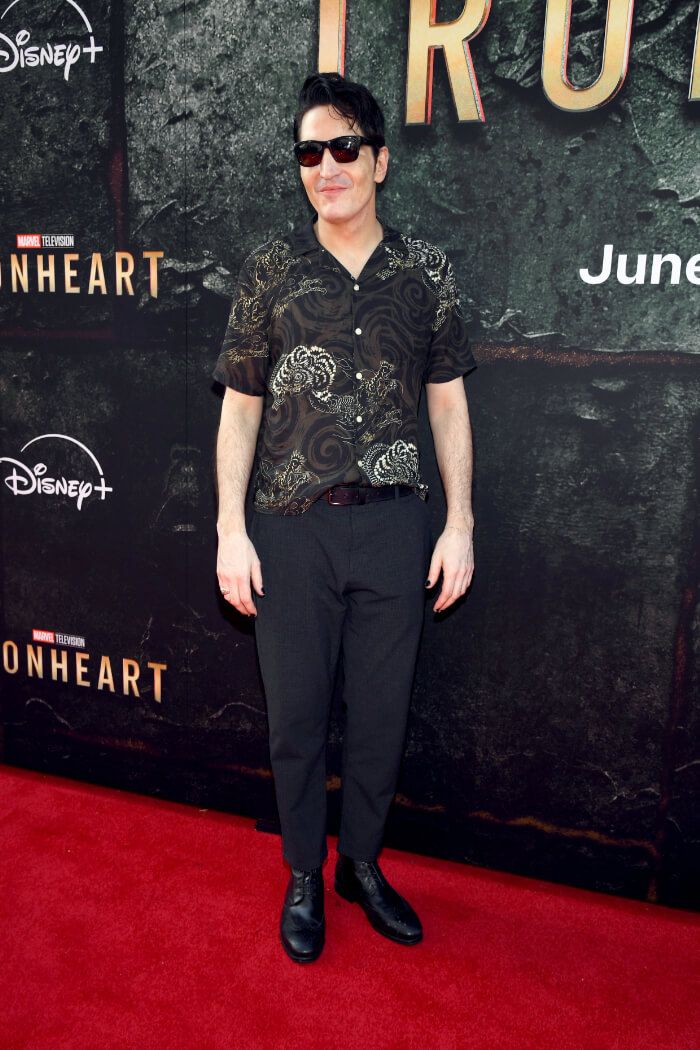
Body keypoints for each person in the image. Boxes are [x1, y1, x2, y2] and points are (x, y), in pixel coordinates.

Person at [212, 72, 476, 963]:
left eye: (344, 147)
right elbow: (239, 408)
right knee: (294, 719)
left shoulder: (426, 271)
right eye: (309, 152)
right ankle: (302, 872)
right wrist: (230, 530)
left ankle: (361, 864)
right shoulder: (270, 271)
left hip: (398, 527)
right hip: (290, 528)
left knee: (381, 716)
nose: (326, 166)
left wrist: (460, 524)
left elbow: (449, 403)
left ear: (380, 160)